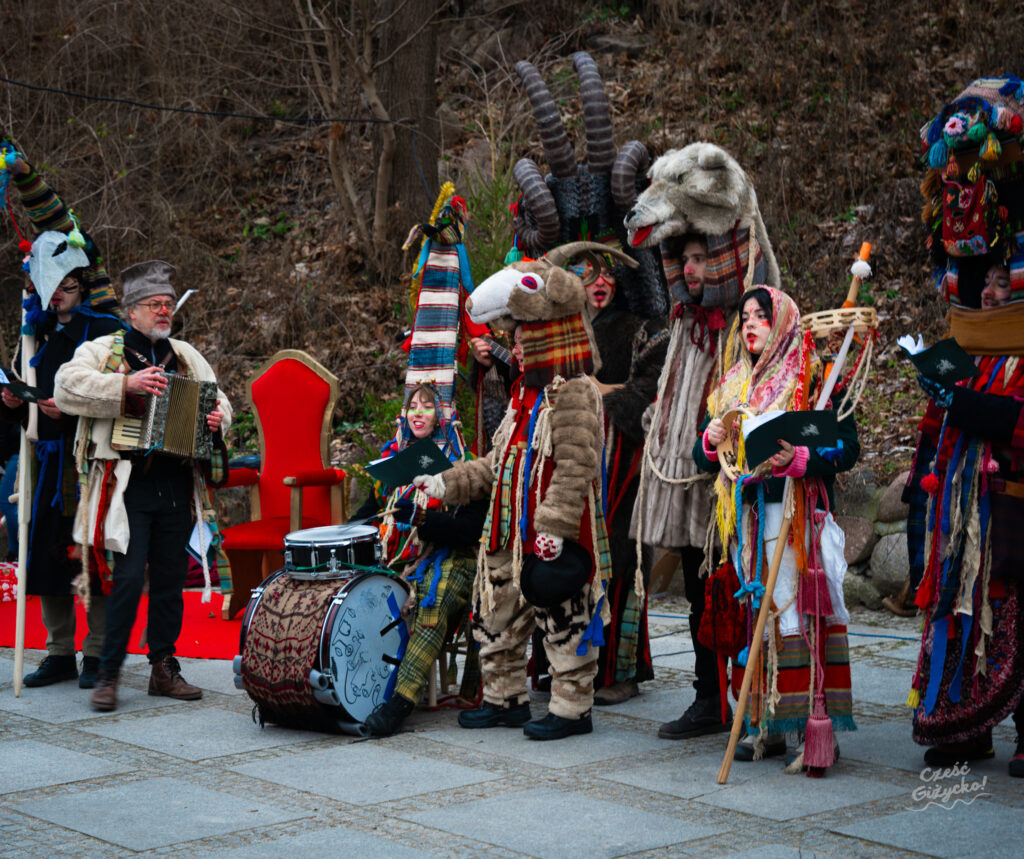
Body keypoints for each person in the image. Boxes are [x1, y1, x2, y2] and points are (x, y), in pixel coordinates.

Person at [415, 243, 625, 741]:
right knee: (497, 618)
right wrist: (447, 482)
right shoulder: (523, 396)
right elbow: (497, 461)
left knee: (563, 622)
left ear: (550, 336)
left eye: (528, 338)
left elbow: (576, 466)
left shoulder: (573, 391)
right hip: (509, 532)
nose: (519, 348)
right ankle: (503, 700)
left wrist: (553, 528)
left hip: (554, 534)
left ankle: (573, 710)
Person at [54, 261, 231, 712]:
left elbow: (221, 399)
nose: (164, 311)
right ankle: (108, 672)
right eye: (155, 304)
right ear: (131, 311)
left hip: (175, 482)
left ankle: (163, 669)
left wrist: (217, 419)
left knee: (171, 578)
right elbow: (67, 386)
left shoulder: (186, 355)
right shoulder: (104, 350)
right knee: (129, 579)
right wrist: (124, 384)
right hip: (125, 485)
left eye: (169, 304)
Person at [695, 286, 859, 771]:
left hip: (797, 520)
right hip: (748, 522)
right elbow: (704, 458)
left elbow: (846, 447)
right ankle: (764, 722)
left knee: (799, 616)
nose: (749, 324)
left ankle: (813, 722)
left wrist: (801, 459)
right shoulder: (730, 387)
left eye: (761, 315)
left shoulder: (814, 377)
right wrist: (712, 442)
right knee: (757, 621)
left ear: (783, 321)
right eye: (744, 316)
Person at [1, 144, 123, 689]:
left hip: (87, 455)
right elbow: (22, 377)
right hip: (42, 454)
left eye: (69, 286)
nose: (59, 296)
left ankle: (97, 652)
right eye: (51, 288)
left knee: (90, 554)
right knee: (45, 553)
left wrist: (26, 175)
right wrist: (14, 397)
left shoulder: (104, 324)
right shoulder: (35, 326)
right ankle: (57, 650)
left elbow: (113, 387)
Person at [355, 383, 485, 736]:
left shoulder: (465, 465)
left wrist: (423, 520)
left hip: (454, 556)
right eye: (413, 405)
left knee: (433, 595)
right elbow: (369, 513)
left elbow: (470, 530)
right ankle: (358, 689)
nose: (418, 412)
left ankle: (400, 702)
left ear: (444, 415)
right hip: (401, 559)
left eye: (428, 405)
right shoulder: (393, 460)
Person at [575, 255, 668, 705]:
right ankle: (573, 661)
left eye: (610, 273)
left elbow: (649, 391)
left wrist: (597, 392)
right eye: (588, 271)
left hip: (625, 461)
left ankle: (623, 669)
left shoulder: (640, 327)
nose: (599, 281)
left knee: (623, 556)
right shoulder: (568, 326)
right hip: (578, 457)